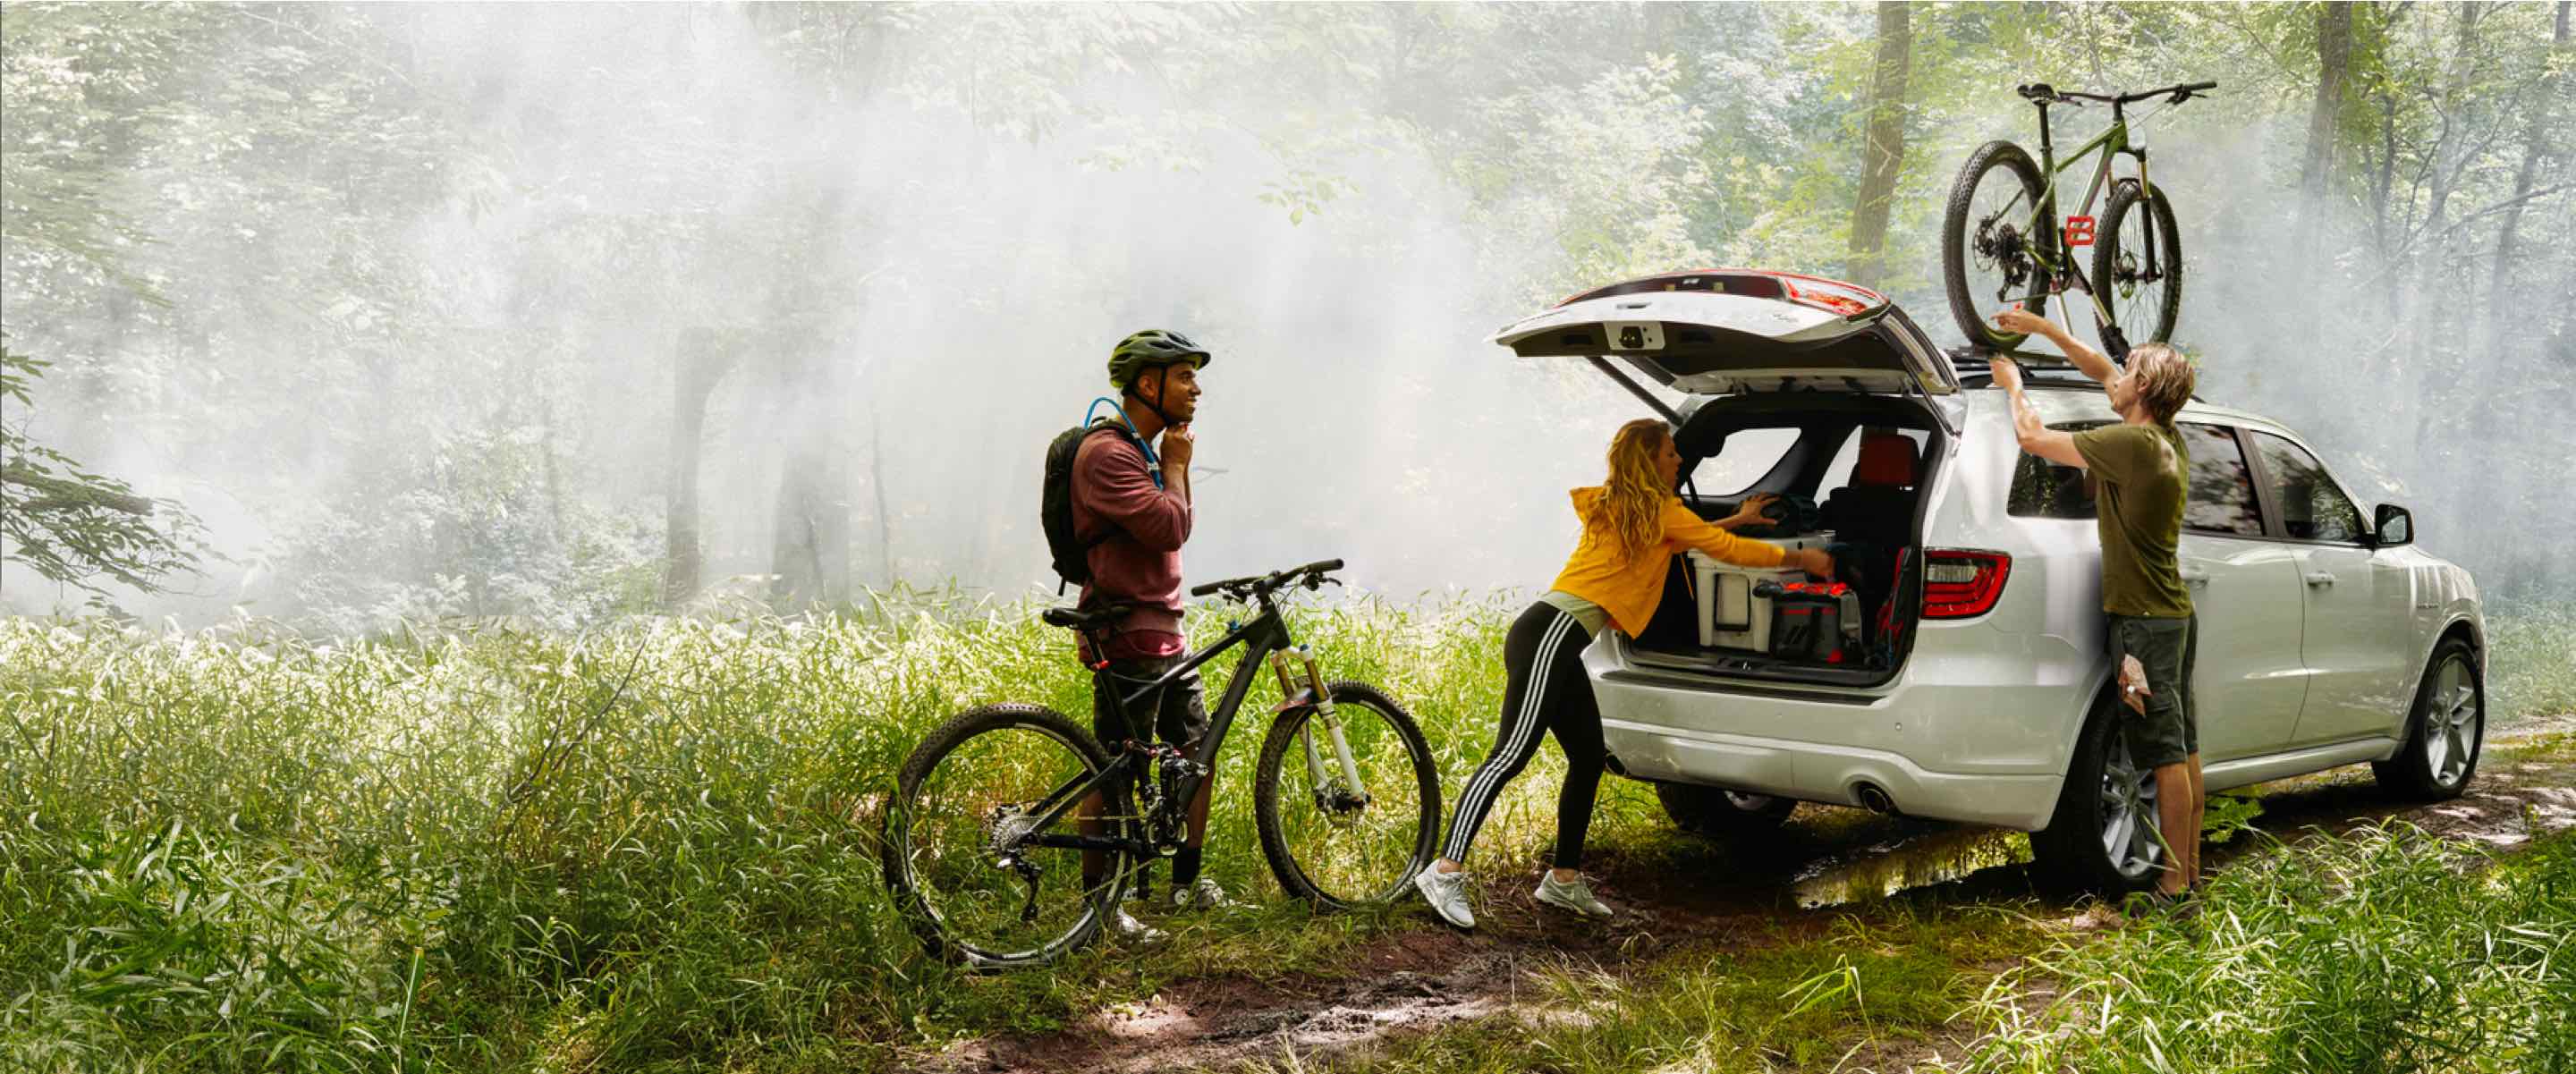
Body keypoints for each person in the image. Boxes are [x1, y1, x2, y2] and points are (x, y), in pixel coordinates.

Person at [1411, 418, 1832, 929]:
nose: (1679, 460)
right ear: (1650, 459)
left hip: (1558, 638)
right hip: (1550, 634)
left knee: (1588, 757)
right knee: (1510, 755)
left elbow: (1689, 539)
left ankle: (1562, 882)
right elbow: (1725, 552)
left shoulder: (1631, 509)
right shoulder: (1656, 510)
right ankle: (1445, 871)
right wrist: (1802, 556)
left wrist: (1739, 518)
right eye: (1672, 453)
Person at [1989, 308, 2203, 902]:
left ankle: (2172, 888)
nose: (2119, 373)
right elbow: (2100, 366)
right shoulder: (2164, 437)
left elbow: (2031, 438)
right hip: (2172, 615)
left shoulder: (2129, 444)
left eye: (2131, 369)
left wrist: (2014, 386)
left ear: (2145, 389)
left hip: (2142, 623)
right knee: (2183, 750)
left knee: (2163, 755)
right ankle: (2188, 872)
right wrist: (2043, 328)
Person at [1072, 329, 1223, 937]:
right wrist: (1177, 466)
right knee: (1115, 773)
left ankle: (1185, 883)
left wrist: (1169, 462)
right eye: (1184, 376)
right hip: (1127, 630)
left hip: (1165, 631)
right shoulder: (1108, 455)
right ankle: (1101, 911)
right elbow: (1169, 527)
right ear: (1147, 383)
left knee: (1196, 756)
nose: (1196, 387)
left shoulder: (1139, 451)